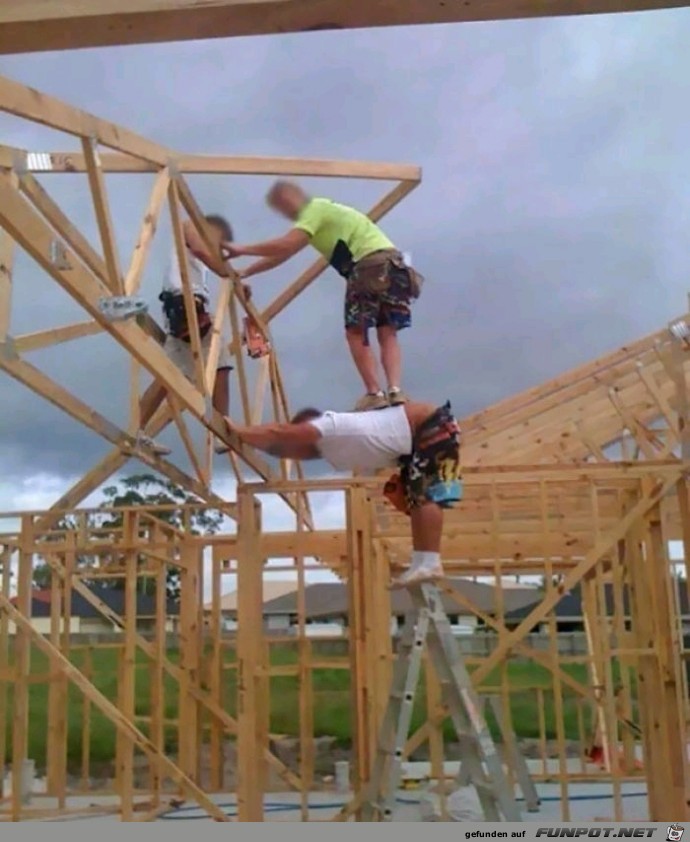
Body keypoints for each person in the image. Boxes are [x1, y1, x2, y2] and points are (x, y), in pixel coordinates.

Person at [222, 181, 421, 413]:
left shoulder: (314, 210)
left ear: (295, 196)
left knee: (356, 332)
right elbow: (284, 253)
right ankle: (395, 390)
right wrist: (247, 271)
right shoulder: (326, 212)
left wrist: (241, 250)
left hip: (368, 265)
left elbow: (287, 243)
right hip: (395, 265)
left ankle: (374, 393)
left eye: (284, 204)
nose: (286, 211)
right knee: (387, 331)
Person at [224, 399, 461, 587]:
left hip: (428, 425)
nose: (297, 448)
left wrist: (237, 431)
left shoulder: (328, 426)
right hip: (415, 438)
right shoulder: (328, 448)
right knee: (418, 496)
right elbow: (279, 446)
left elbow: (280, 434)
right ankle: (423, 563)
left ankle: (428, 562)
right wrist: (247, 442)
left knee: (425, 495)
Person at [137, 214, 238, 456]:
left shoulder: (194, 255)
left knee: (171, 374)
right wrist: (233, 274)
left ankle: (138, 431)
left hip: (187, 305)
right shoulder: (190, 226)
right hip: (186, 305)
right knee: (218, 365)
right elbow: (204, 252)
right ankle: (221, 432)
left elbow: (205, 257)